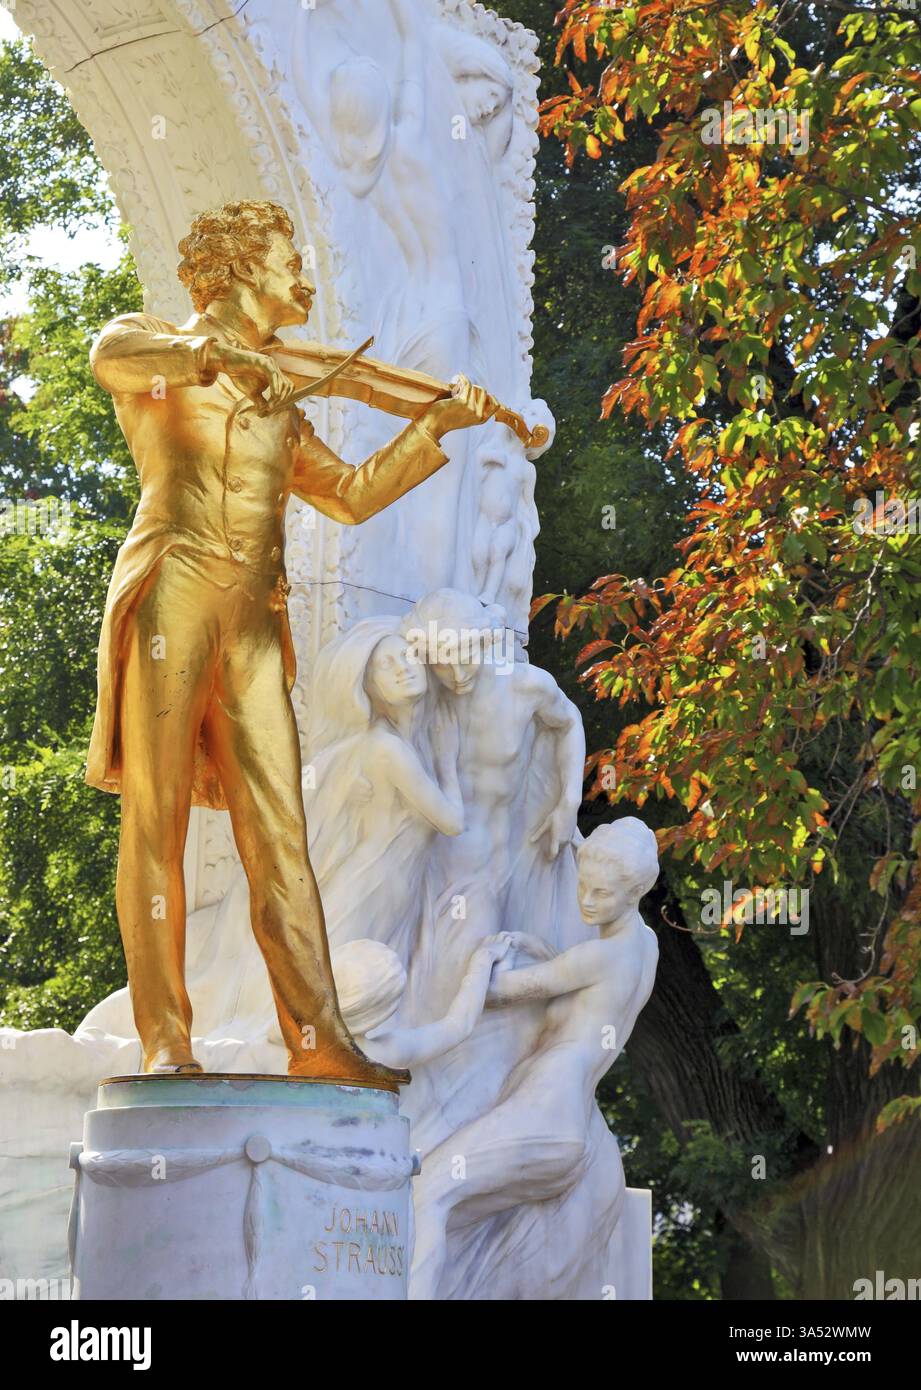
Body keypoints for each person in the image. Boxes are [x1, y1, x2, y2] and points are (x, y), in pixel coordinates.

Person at [86, 199, 497, 1085]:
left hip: (254, 625)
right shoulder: (154, 349)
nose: (301, 280)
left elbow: (347, 493)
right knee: (153, 822)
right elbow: (110, 357)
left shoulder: (281, 401)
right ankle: (166, 1040)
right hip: (172, 593)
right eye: (286, 261)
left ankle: (319, 1043)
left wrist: (431, 426)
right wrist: (213, 353)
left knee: (281, 829)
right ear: (236, 270)